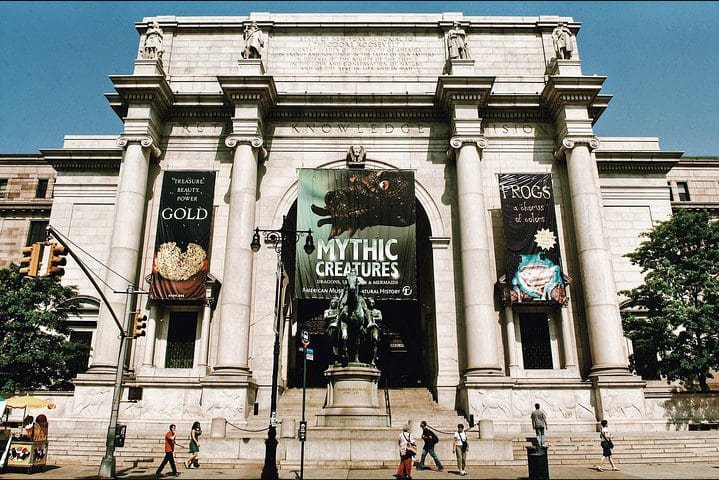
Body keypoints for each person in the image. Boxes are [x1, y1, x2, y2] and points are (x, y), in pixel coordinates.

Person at [364, 297, 382, 366]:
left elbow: (380, 318)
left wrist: (374, 318)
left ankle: (373, 359)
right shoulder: (366, 311)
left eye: (372, 303)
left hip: (375, 328)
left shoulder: (377, 311)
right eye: (370, 303)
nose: (371, 304)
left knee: (375, 341)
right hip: (367, 328)